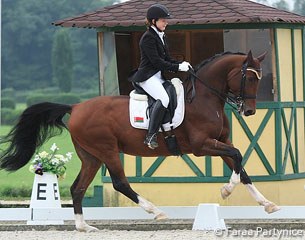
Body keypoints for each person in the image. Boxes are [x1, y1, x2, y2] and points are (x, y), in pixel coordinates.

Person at [129, 4, 192, 149]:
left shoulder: (160, 36)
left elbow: (167, 59)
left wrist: (181, 64)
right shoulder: (147, 38)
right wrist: (177, 67)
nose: (166, 23)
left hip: (157, 76)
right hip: (147, 77)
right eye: (163, 20)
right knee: (163, 98)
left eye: (165, 20)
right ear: (153, 21)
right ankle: (150, 136)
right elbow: (157, 62)